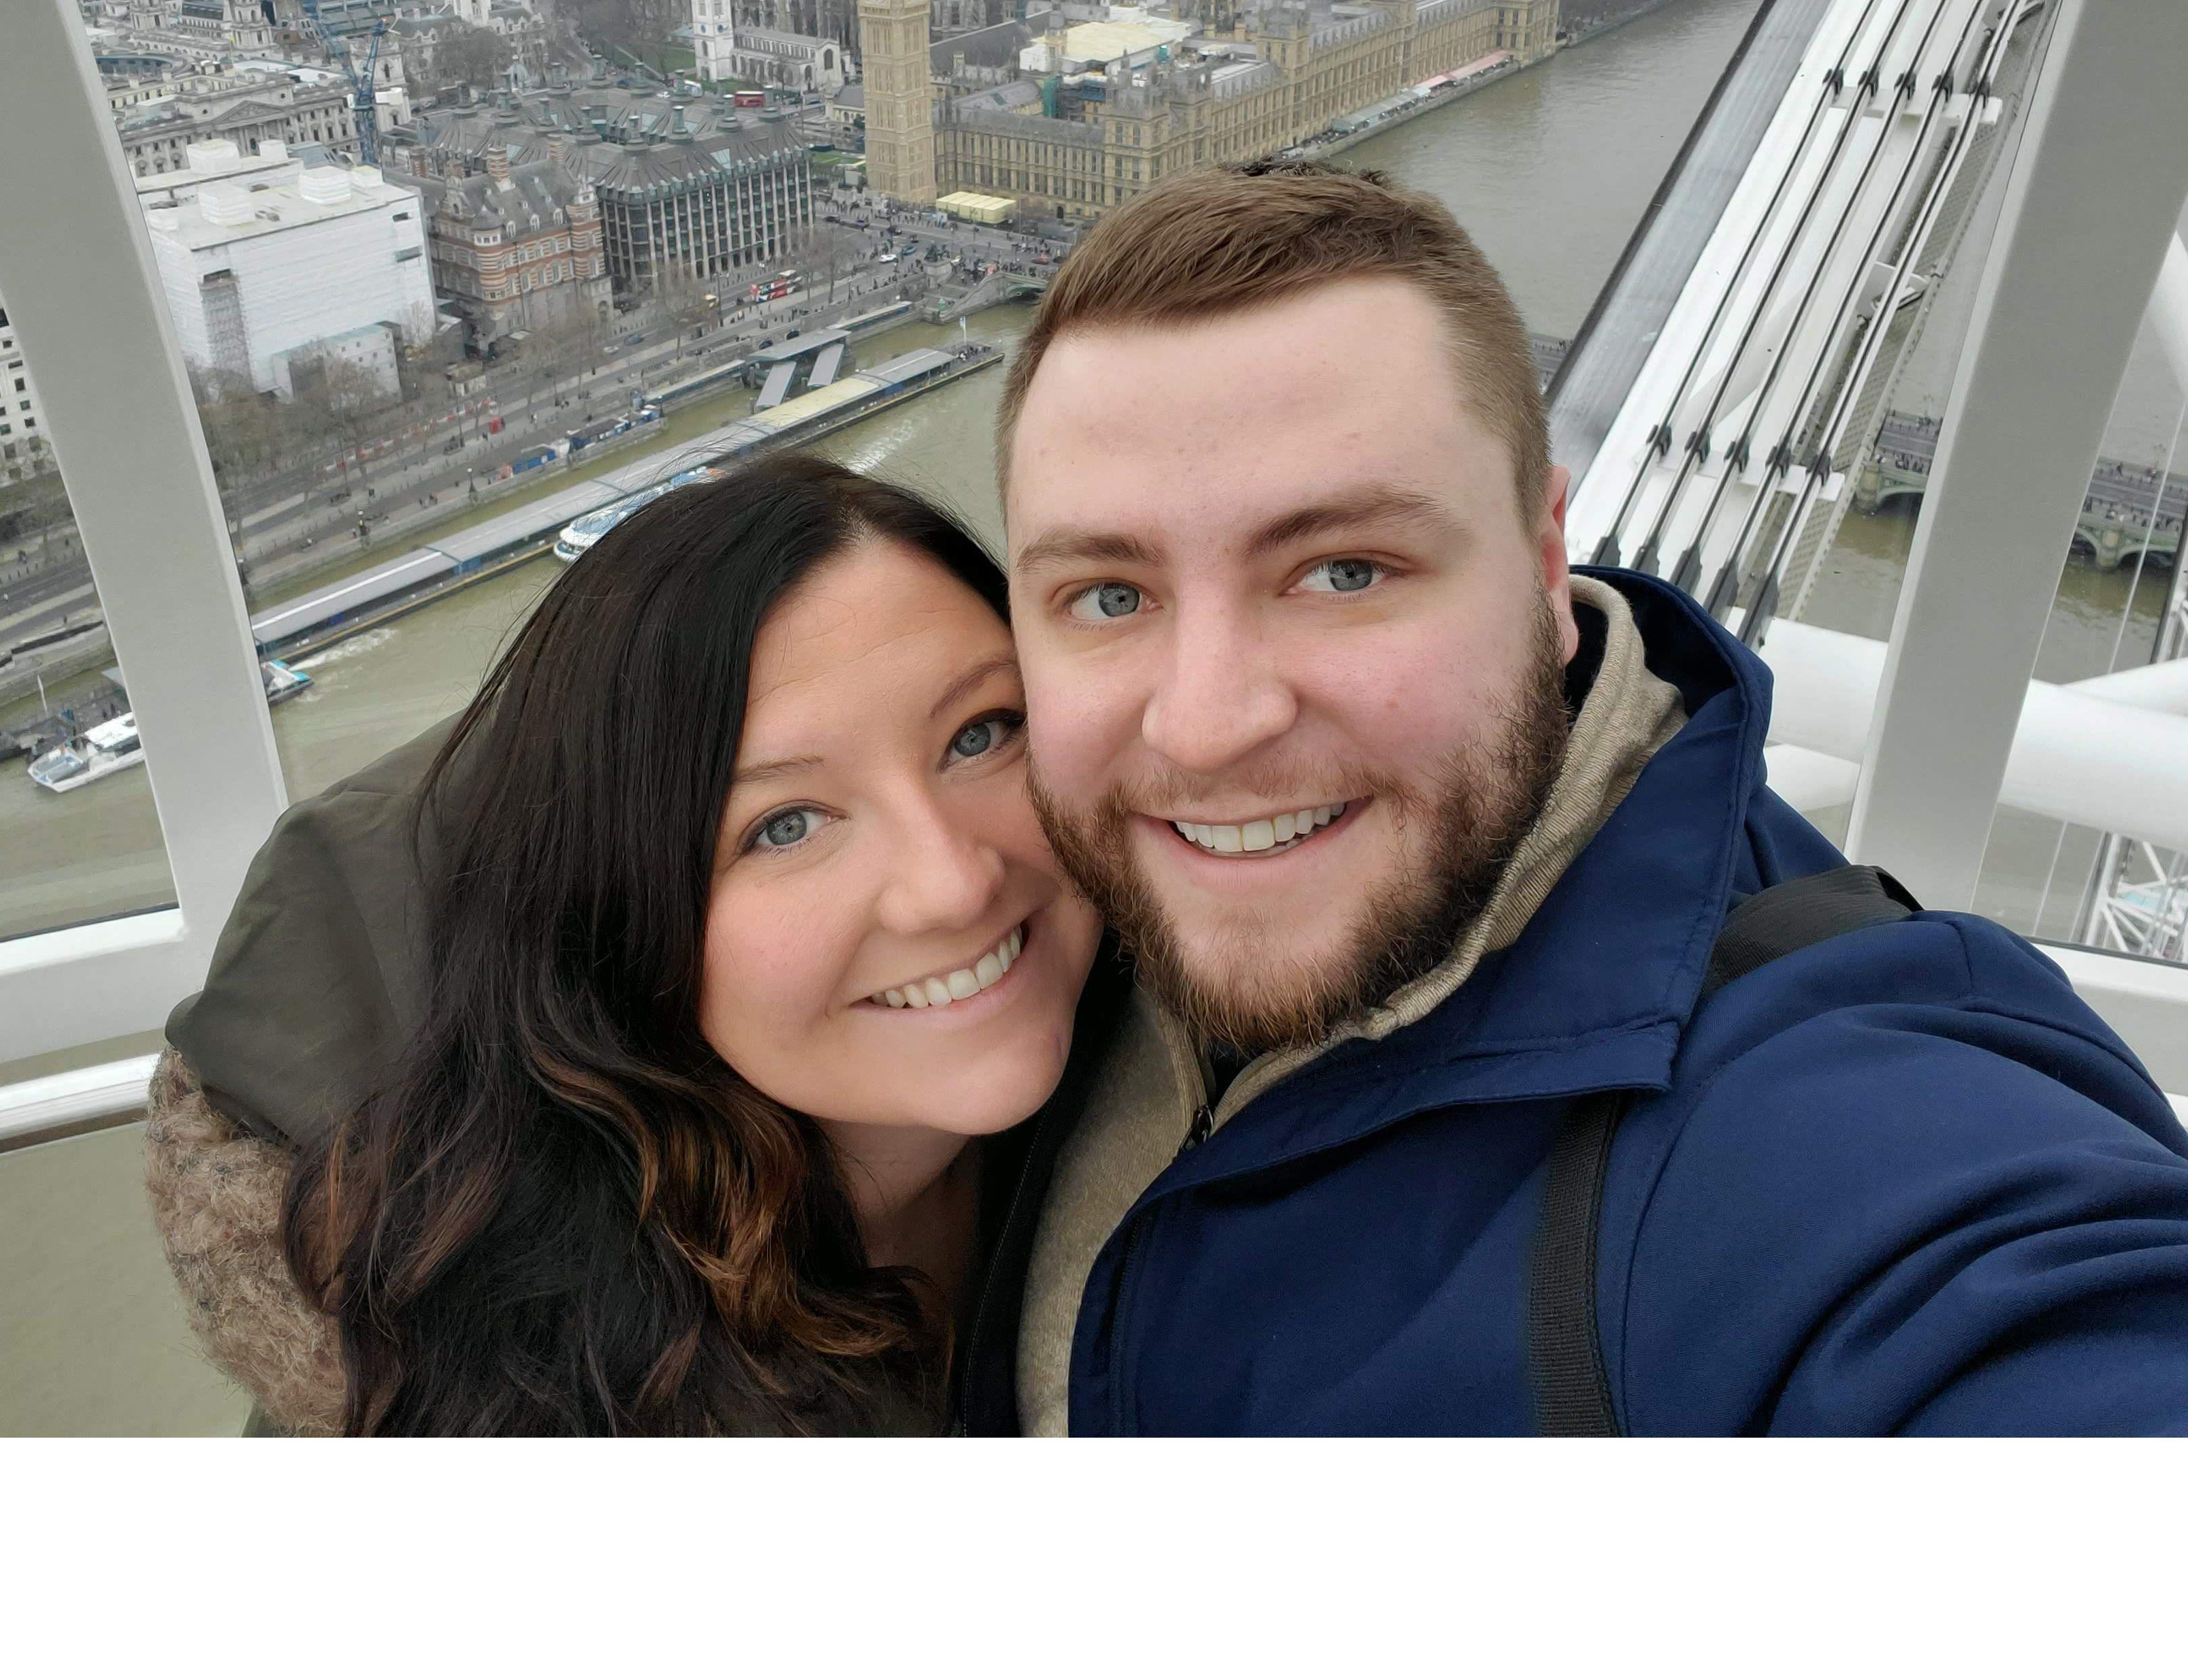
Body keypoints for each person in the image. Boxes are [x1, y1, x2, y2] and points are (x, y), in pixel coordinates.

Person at [159, 163, 2188, 1435]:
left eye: (1345, 567)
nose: (1205, 728)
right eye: (1111, 595)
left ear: (1547, 548)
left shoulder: (1836, 1135)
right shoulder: (520, 1334)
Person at [149, 455, 1106, 1435]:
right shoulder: (491, 1413)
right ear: (626, 920)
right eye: (785, 825)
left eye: (983, 733)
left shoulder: (1195, 1064)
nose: (953, 884)